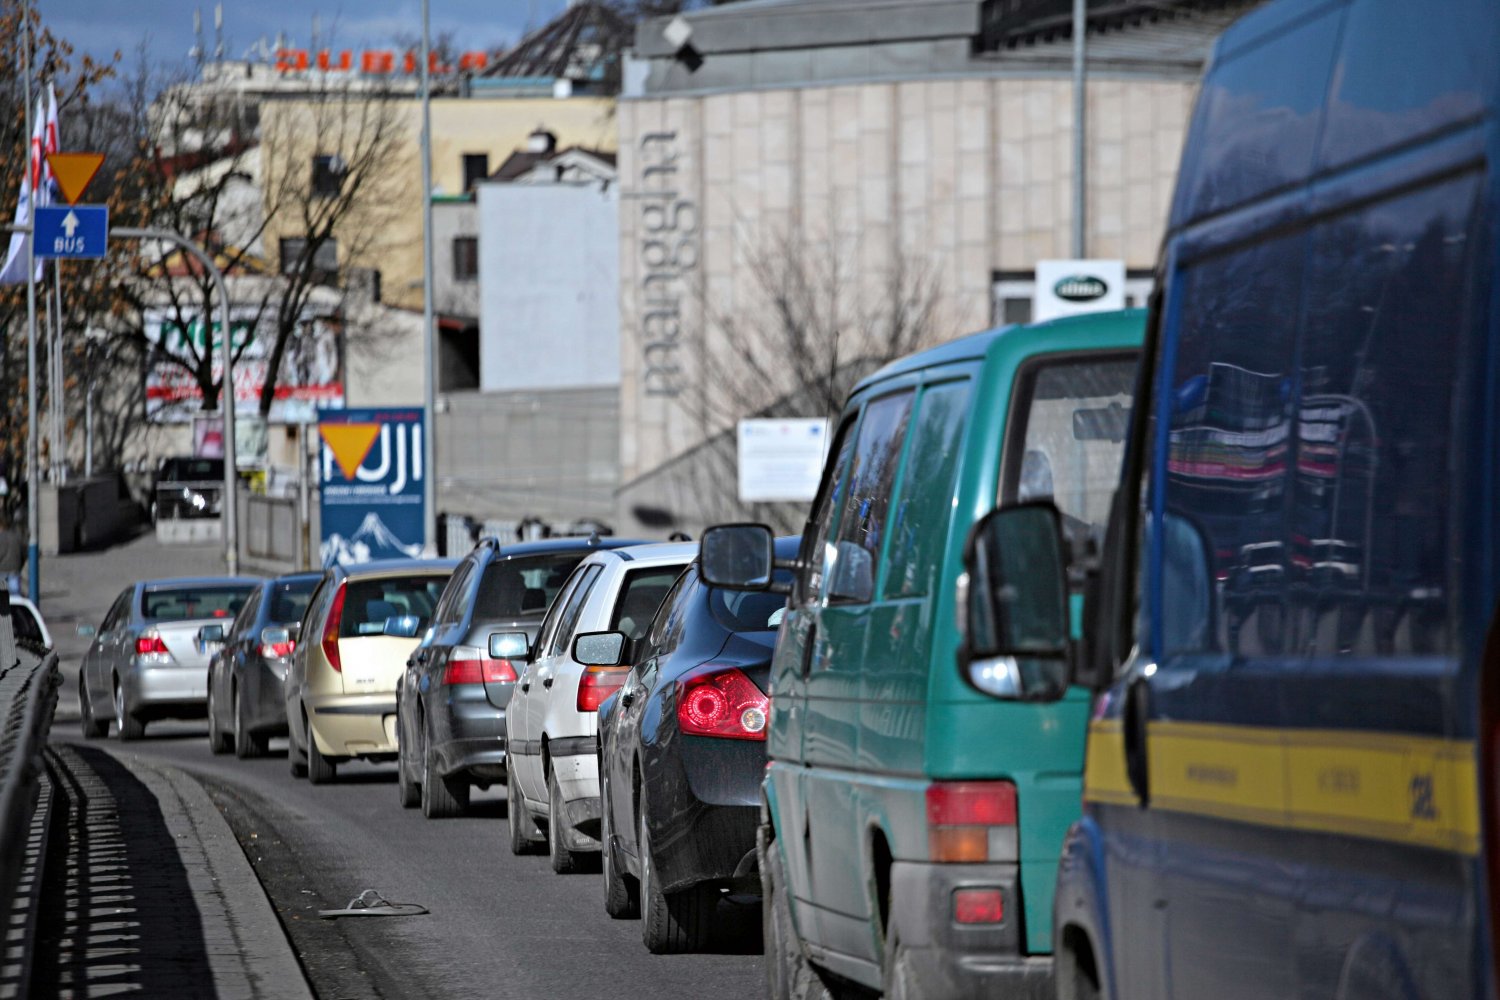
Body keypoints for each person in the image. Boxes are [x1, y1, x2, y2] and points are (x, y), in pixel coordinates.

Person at [0, 514, 24, 595]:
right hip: (15, 570)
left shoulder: (1, 537)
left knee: (3, 597)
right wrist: (20, 565)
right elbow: (23, 553)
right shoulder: (17, 537)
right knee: (15, 594)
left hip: (2, 571)